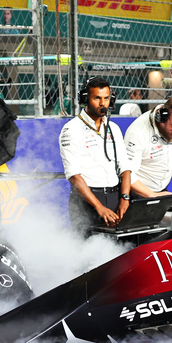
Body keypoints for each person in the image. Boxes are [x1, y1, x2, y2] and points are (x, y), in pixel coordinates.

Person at [59, 76, 128, 235]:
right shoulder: (71, 130)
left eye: (106, 98)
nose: (103, 103)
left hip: (114, 198)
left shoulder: (114, 128)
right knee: (88, 254)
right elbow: (74, 176)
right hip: (86, 203)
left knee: (116, 251)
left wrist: (125, 199)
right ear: (85, 99)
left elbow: (125, 167)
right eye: (97, 98)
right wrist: (99, 207)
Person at [123, 96, 172, 199]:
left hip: (161, 190)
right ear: (162, 117)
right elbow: (127, 174)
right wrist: (152, 195)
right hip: (138, 191)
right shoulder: (138, 131)